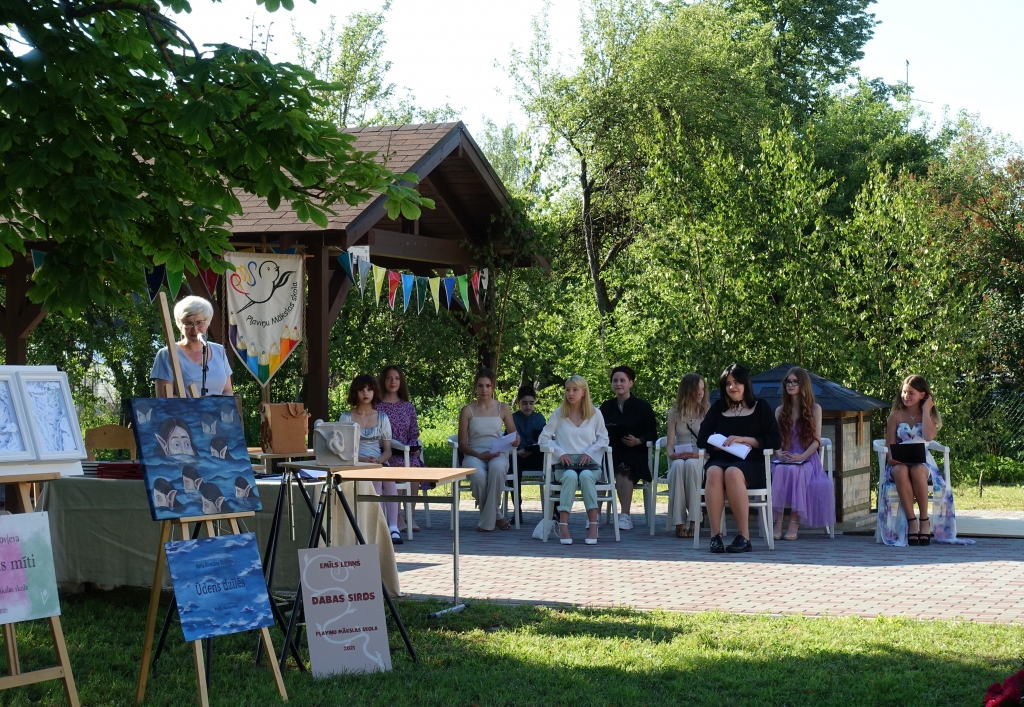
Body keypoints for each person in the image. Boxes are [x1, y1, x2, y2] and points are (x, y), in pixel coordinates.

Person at [697, 363, 782, 554]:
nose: (732, 387)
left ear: (745, 384)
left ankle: (744, 537)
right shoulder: (718, 408)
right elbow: (702, 438)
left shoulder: (760, 407)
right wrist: (721, 443)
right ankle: (715, 536)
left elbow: (775, 440)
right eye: (728, 383)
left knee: (733, 473)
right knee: (713, 472)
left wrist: (746, 440)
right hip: (721, 459)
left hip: (751, 463)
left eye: (736, 382)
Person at [877, 375, 964, 546]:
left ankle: (924, 520)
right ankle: (912, 522)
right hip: (899, 462)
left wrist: (925, 410)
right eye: (904, 392)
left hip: (922, 461)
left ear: (922, 395)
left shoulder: (928, 415)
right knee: (901, 470)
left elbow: (929, 436)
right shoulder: (895, 415)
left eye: (911, 393)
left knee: (917, 469)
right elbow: (889, 444)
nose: (906, 396)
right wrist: (891, 458)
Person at [538, 376, 610, 545]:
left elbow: (604, 439)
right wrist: (560, 452)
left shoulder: (595, 414)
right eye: (568, 390)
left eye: (575, 390)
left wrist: (589, 452)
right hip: (564, 465)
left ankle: (593, 525)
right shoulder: (559, 414)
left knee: (586, 476)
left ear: (583, 392)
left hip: (589, 465)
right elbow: (543, 438)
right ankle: (563, 526)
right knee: (570, 476)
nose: (570, 393)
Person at [770, 367, 835, 541]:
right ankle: (778, 521)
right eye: (788, 382)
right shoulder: (780, 410)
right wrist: (780, 454)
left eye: (794, 382)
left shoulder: (815, 409)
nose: (790, 385)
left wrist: (802, 456)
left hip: (807, 458)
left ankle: (794, 521)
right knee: (781, 469)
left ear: (803, 384)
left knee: (796, 470)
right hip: (786, 456)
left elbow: (817, 440)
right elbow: (775, 440)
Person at [338, 374, 401, 544]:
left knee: (388, 478)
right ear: (355, 393)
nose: (365, 393)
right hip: (354, 462)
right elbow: (343, 450)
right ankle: (376, 527)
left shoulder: (382, 417)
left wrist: (379, 460)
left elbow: (388, 450)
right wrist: (363, 459)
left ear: (374, 392)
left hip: (378, 462)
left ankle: (393, 527)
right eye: (361, 390)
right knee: (377, 480)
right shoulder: (346, 417)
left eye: (369, 389)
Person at [457, 369, 520, 532]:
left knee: (497, 468)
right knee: (478, 475)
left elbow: (514, 434)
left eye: (487, 386)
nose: (484, 390)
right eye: (480, 386)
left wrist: (516, 440)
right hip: (474, 453)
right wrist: (479, 454)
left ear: (493, 387)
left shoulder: (503, 408)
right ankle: (496, 515)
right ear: (475, 387)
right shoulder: (467, 410)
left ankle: (487, 522)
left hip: (497, 452)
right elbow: (462, 443)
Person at [599, 366, 657, 531]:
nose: (618, 384)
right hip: (610, 452)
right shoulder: (606, 407)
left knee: (623, 468)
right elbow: (597, 430)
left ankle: (625, 515)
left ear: (631, 382)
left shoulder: (642, 406)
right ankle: (594, 515)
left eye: (622, 380)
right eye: (615, 381)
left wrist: (638, 440)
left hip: (634, 454)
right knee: (598, 470)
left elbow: (652, 432)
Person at [151, 296, 233, 397]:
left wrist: (216, 404)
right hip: (182, 408)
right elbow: (164, 397)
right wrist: (196, 405)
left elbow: (228, 391)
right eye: (188, 323)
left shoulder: (219, 350)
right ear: (179, 325)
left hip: (218, 408)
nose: (195, 329)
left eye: (199, 323)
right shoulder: (167, 354)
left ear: (207, 323)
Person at [376, 365, 424, 533]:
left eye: (397, 378)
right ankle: (397, 516)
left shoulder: (408, 407)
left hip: (406, 452)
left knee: (414, 466)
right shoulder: (377, 407)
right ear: (383, 381)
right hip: (385, 452)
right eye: (389, 378)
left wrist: (412, 447)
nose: (393, 382)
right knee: (397, 466)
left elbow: (414, 432)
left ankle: (411, 515)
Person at [665, 373, 709, 538]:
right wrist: (673, 455)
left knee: (691, 464)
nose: (701, 393)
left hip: (701, 455)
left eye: (703, 389)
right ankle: (679, 522)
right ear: (687, 390)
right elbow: (670, 445)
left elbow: (713, 444)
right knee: (678, 465)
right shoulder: (674, 413)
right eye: (697, 389)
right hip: (681, 455)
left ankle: (695, 520)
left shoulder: (708, 412)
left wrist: (699, 454)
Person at [512, 385, 546, 517]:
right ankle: (517, 508)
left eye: (531, 403)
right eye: (524, 403)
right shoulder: (513, 418)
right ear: (518, 402)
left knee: (553, 461)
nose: (528, 407)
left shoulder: (540, 418)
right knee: (512, 462)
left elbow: (544, 440)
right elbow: (507, 439)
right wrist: (517, 451)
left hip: (536, 456)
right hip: (518, 456)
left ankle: (555, 509)